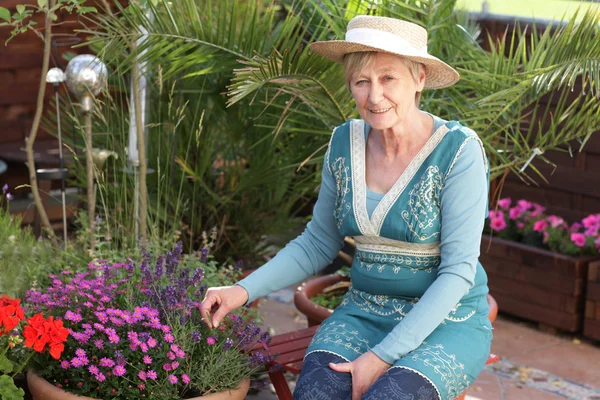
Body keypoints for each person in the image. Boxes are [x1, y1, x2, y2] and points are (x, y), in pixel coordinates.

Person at [200, 15, 492, 400]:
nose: (374, 97)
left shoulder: (458, 151)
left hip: (446, 321)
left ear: (419, 78)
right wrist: (242, 289)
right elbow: (318, 242)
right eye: (361, 81)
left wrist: (381, 357)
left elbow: (457, 273)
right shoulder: (344, 143)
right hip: (364, 312)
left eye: (388, 78)